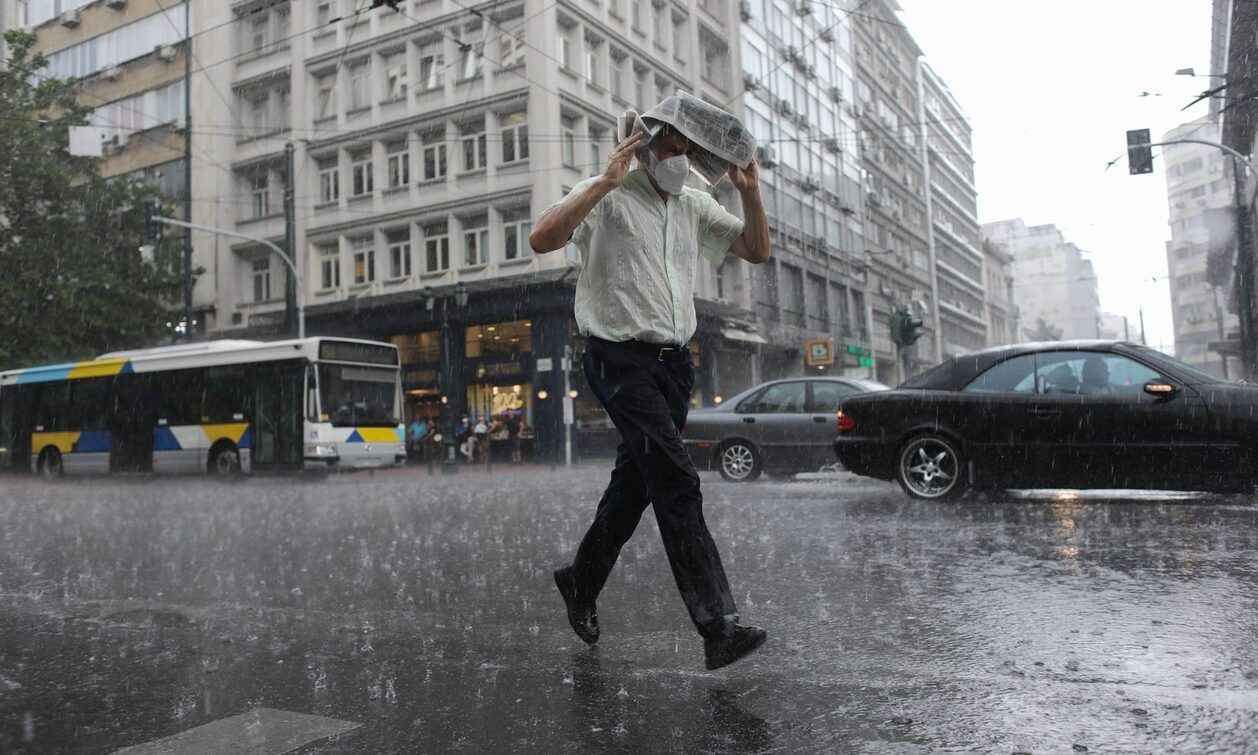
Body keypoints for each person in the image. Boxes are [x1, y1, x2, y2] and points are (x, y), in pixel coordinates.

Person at [529, 113, 772, 670]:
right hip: (617, 358)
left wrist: (750, 193)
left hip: (674, 364)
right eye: (669, 149)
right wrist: (602, 182)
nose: (679, 159)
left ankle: (580, 581)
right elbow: (543, 237)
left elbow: (757, 250)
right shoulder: (609, 195)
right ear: (643, 150)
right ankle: (717, 626)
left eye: (687, 150)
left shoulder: (690, 203)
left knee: (634, 486)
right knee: (677, 476)